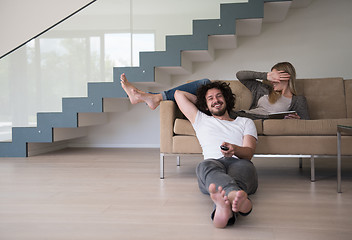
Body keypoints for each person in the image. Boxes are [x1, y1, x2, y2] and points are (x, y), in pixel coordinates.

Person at [174, 81, 258, 228]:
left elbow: (249, 152)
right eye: (211, 98)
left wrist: (235, 149)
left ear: (226, 99)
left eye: (219, 97)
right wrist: (203, 103)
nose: (216, 100)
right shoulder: (200, 119)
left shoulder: (245, 122)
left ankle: (222, 208)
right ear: (205, 105)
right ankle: (238, 201)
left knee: (241, 170)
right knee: (204, 166)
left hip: (240, 162)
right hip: (212, 163)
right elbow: (178, 94)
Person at [120, 62, 309, 119]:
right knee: (204, 82)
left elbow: (308, 125)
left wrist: (295, 121)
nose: (274, 80)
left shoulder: (298, 101)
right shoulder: (262, 89)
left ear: (288, 77)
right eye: (273, 76)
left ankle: (151, 98)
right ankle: (154, 98)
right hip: (233, 114)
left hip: (236, 119)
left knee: (195, 88)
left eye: (278, 77)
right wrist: (265, 75)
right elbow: (240, 73)